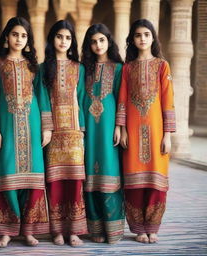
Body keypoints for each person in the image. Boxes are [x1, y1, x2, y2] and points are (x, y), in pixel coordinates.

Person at [0, 17, 53, 248]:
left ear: (28, 39)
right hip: (7, 127)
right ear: (6, 36)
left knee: (33, 180)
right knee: (7, 177)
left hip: (32, 127)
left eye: (24, 36)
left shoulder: (34, 65)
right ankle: (6, 230)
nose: (19, 39)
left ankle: (28, 230)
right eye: (15, 34)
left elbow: (42, 96)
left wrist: (47, 127)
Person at [116, 19, 176, 244]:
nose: (142, 38)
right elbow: (122, 99)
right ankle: (138, 228)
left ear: (153, 38)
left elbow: (168, 101)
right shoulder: (127, 68)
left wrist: (167, 135)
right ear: (132, 39)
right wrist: (121, 129)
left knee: (156, 182)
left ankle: (153, 226)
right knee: (134, 182)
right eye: (138, 35)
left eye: (146, 34)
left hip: (157, 132)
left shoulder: (162, 66)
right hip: (132, 131)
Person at [40, 20, 87, 247]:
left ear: (72, 42)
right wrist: (47, 128)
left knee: (75, 182)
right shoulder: (43, 68)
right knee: (55, 182)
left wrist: (82, 130)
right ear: (52, 39)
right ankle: (57, 230)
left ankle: (75, 230)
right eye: (59, 37)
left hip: (75, 133)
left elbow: (83, 100)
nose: (63, 41)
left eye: (68, 38)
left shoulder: (79, 68)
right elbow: (41, 99)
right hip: (54, 133)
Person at [81, 23, 125, 244]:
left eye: (102, 40)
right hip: (88, 130)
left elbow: (122, 99)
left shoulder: (118, 68)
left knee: (109, 173)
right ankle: (96, 228)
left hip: (109, 131)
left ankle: (114, 228)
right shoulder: (83, 69)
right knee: (90, 176)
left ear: (109, 41)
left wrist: (119, 126)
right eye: (93, 41)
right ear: (88, 45)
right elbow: (78, 100)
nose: (98, 45)